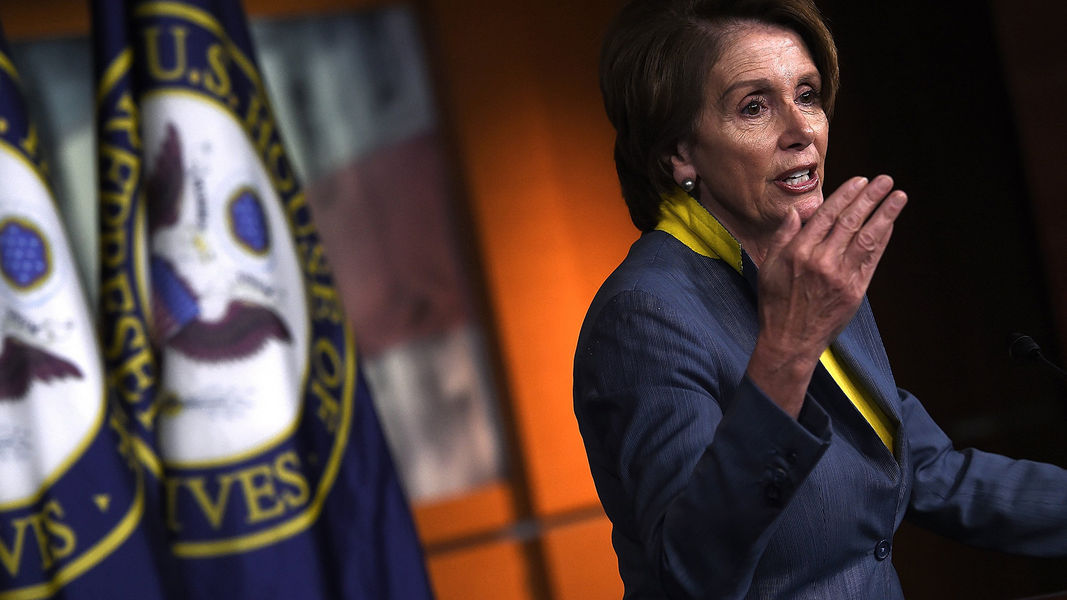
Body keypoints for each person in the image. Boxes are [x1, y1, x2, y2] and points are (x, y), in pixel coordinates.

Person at [572, 0, 1067, 598]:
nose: (802, 128)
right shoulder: (644, 317)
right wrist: (789, 348)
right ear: (679, 152)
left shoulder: (808, 266)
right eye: (754, 106)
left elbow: (925, 471)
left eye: (807, 94)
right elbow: (691, 575)